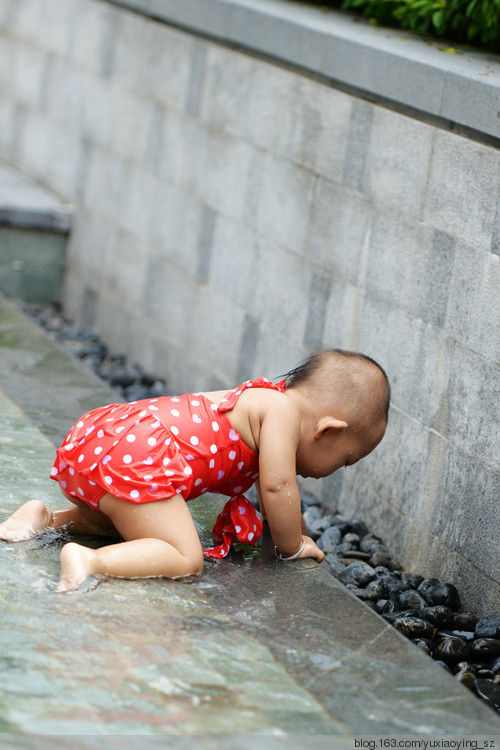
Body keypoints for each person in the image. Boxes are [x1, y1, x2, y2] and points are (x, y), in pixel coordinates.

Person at [0, 349, 390, 592]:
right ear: (328, 430)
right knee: (184, 557)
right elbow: (277, 488)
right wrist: (294, 546)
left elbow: (279, 495)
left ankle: (47, 519)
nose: (332, 471)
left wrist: (291, 528)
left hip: (99, 440)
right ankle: (90, 561)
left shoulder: (264, 401)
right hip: (136, 456)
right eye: (344, 461)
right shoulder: (283, 412)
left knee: (129, 523)